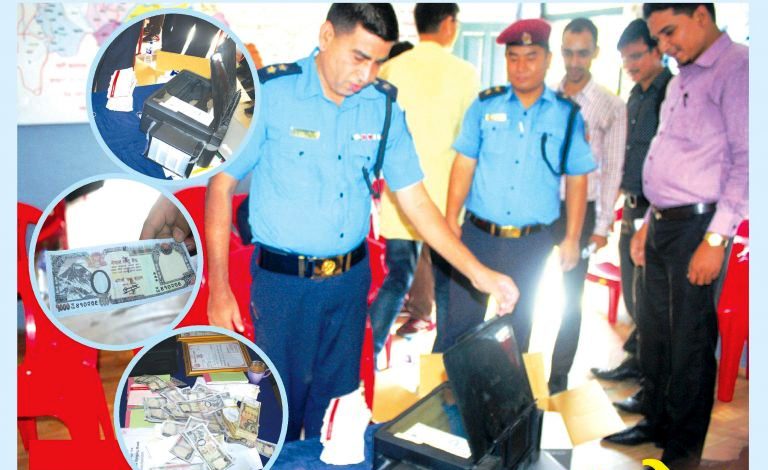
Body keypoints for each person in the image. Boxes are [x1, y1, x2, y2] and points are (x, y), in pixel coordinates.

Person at [201, 4, 519, 441]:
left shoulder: (382, 107)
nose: (366, 74)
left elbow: (418, 203)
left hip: (348, 287)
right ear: (326, 36)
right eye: (359, 57)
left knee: (338, 417)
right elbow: (220, 188)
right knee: (275, 415)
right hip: (283, 288)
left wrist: (478, 273)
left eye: (378, 62)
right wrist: (219, 288)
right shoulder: (270, 94)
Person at [602, 5, 747, 468]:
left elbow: (747, 162)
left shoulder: (738, 69)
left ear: (701, 14)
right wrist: (647, 222)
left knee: (689, 347)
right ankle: (656, 422)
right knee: (656, 336)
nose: (664, 46)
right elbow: (666, 155)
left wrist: (716, 239)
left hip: (698, 229)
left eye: (669, 32)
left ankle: (681, 455)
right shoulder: (682, 76)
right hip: (662, 222)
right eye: (658, 37)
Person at [439, 18, 596, 354]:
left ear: (548, 59)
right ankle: (452, 387)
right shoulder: (485, 105)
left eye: (531, 57)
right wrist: (451, 218)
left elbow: (577, 178)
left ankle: (503, 390)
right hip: (478, 237)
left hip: (531, 243)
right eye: (513, 58)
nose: (521, 67)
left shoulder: (567, 115)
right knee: (459, 325)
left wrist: (571, 237)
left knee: (516, 331)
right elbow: (464, 163)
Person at [368, 3, 480, 357]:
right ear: (448, 24)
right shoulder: (465, 73)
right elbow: (471, 145)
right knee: (447, 289)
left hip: (401, 197)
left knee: (397, 279)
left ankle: (367, 355)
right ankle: (441, 367)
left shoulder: (392, 68)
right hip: (447, 203)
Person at [591, 18, 673, 414]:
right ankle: (637, 361)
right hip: (632, 206)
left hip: (659, 213)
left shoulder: (670, 92)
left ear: (657, 50)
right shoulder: (636, 96)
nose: (631, 65)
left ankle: (653, 386)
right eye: (625, 60)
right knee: (634, 293)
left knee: (653, 303)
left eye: (637, 56)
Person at [548, 17, 627, 394]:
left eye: (582, 53)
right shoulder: (547, 96)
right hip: (543, 206)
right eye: (568, 52)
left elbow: (613, 169)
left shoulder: (610, 105)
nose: (574, 61)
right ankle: (519, 372)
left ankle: (558, 375)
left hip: (584, 210)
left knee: (570, 296)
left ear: (595, 52)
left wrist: (601, 225)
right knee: (524, 290)